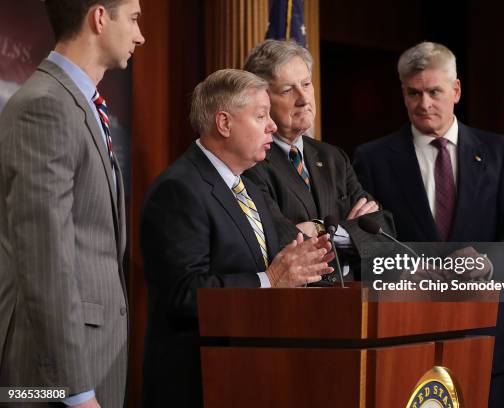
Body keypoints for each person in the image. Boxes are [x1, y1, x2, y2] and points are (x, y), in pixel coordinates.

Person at [352, 41, 504, 407]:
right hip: (405, 332)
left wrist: (489, 262)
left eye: (434, 92)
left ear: (456, 90)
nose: (424, 104)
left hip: (481, 331)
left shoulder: (497, 151)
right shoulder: (371, 158)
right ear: (402, 93)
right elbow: (365, 249)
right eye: (413, 93)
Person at [140, 69, 335, 407]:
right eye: (261, 116)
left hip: (256, 375)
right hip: (199, 383)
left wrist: (297, 279)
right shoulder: (180, 189)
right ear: (225, 123)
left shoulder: (250, 188)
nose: (273, 125)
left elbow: (275, 275)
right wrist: (270, 279)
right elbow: (184, 295)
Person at [0, 0, 144, 407]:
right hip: (52, 382)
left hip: (90, 363)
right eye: (133, 20)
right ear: (100, 18)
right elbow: (45, 259)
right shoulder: (45, 106)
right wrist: (76, 392)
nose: (140, 35)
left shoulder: (77, 104)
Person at [243, 39, 394, 282]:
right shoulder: (251, 162)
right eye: (288, 90)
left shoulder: (333, 156)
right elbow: (280, 243)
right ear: (263, 99)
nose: (303, 98)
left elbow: (384, 230)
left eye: (306, 84)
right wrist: (351, 231)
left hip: (350, 303)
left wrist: (319, 228)